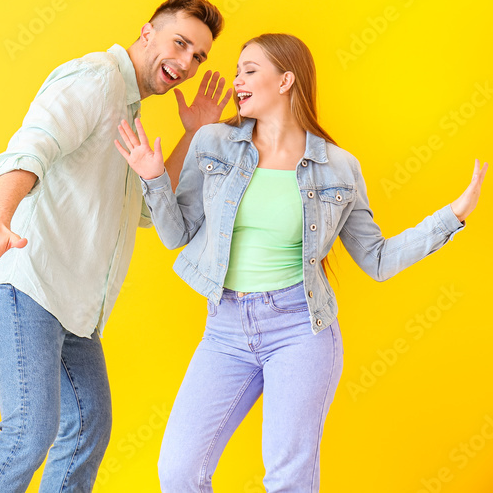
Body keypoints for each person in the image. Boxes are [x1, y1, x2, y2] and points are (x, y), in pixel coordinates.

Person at [115, 33, 487, 492]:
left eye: (250, 71)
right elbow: (176, 235)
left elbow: (376, 259)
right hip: (225, 329)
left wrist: (451, 217)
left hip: (300, 329)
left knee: (288, 478)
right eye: (237, 71)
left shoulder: (338, 167)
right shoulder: (213, 143)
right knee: (178, 471)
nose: (237, 81)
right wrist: (153, 179)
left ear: (286, 80)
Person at [0, 0, 230, 492]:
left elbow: (149, 210)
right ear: (147, 33)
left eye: (199, 56)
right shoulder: (96, 78)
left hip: (76, 310)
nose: (188, 62)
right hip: (31, 285)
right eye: (181, 43)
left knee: (87, 428)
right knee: (28, 435)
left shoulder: (127, 113)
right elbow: (31, 145)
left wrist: (192, 134)